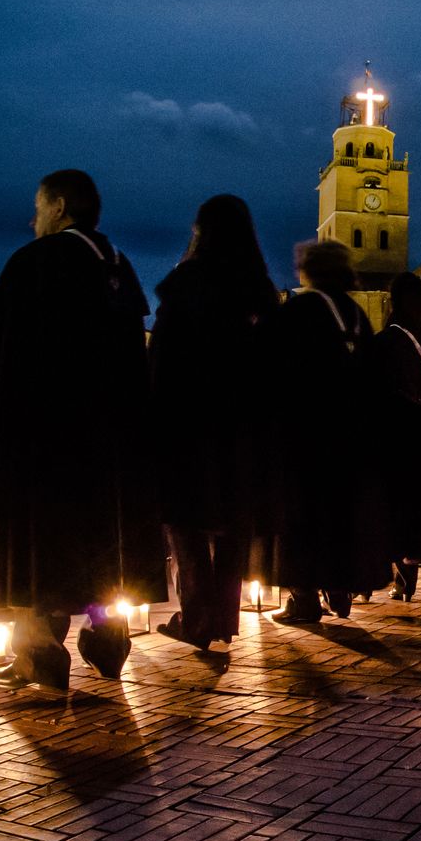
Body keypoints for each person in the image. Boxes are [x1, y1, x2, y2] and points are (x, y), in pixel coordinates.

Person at [0, 170, 163, 692]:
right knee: (100, 539)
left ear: (58, 206)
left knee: (39, 542)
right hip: (109, 443)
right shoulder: (118, 265)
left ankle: (39, 652)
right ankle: (108, 639)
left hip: (43, 438)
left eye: (38, 207)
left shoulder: (37, 261)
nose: (33, 220)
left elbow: (10, 367)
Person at [150, 195, 282, 650]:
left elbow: (162, 360)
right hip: (244, 428)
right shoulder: (260, 292)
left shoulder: (187, 284)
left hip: (189, 423)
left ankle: (198, 617)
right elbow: (274, 367)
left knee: (183, 521)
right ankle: (224, 619)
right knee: (234, 526)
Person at [257, 239, 388, 623]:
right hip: (351, 437)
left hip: (305, 437)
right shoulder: (356, 314)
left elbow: (272, 368)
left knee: (302, 520)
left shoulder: (302, 309)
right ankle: (339, 587)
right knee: (338, 517)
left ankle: (304, 599)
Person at [368, 271, 421, 601]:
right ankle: (406, 578)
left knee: (390, 507)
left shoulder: (387, 341)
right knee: (411, 507)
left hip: (393, 435)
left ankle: (393, 575)